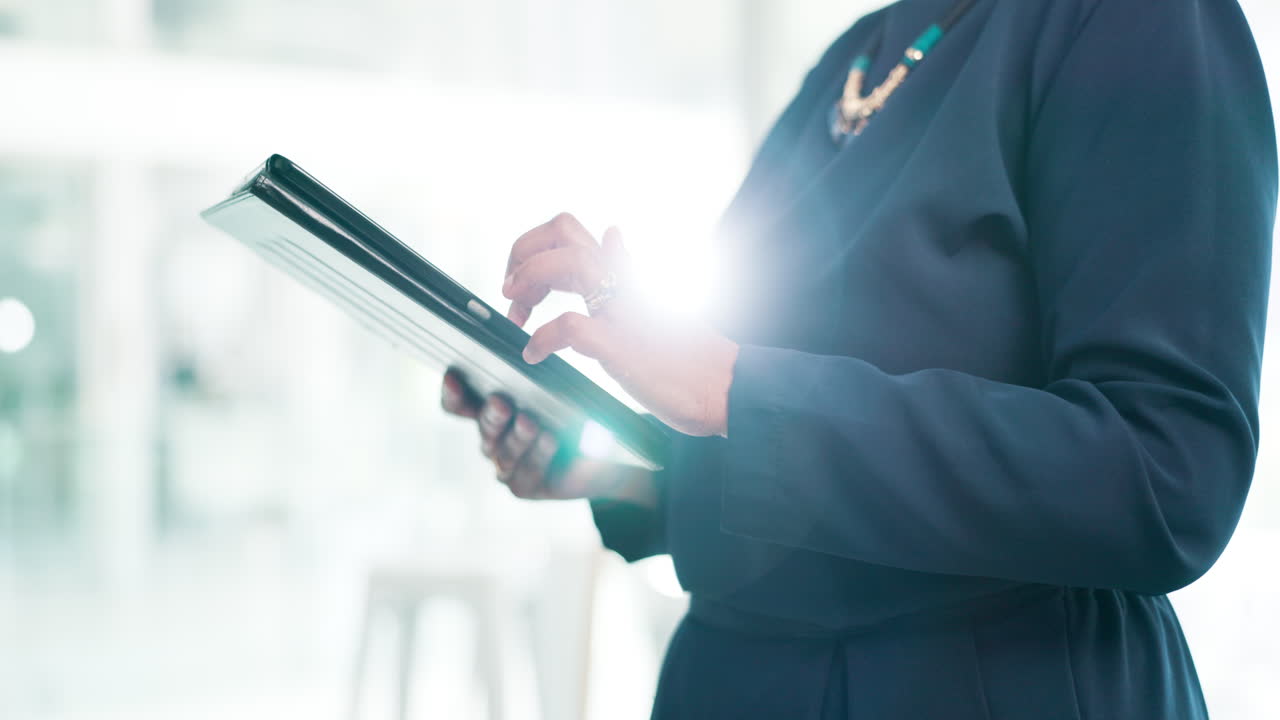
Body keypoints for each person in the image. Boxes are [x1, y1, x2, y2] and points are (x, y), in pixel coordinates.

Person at [442, 0, 1278, 717]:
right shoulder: (853, 62)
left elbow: (1168, 474)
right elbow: (776, 455)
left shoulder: (1134, 20)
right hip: (731, 677)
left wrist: (731, 387)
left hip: (986, 685)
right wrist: (618, 472)